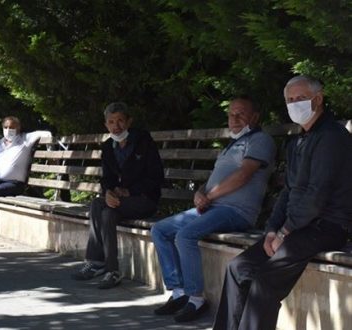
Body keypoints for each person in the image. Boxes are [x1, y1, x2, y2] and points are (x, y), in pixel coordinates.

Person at [213, 76, 352, 330]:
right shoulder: (298, 140)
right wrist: (271, 231)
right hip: (297, 226)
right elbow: (288, 192)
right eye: (289, 100)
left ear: (318, 99)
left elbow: (317, 194)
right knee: (238, 267)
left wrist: (285, 232)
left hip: (326, 226)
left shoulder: (332, 137)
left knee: (264, 283)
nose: (294, 104)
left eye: (300, 99)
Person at [150, 97, 276, 322]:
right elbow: (211, 181)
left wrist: (208, 196)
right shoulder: (230, 145)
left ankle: (196, 299)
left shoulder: (260, 140)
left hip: (236, 211)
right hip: (212, 207)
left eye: (241, 114)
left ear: (255, 117)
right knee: (159, 230)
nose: (234, 119)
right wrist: (199, 193)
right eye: (231, 114)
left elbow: (243, 176)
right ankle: (179, 292)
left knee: (185, 235)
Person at [71, 102, 164, 289]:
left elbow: (156, 177)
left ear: (129, 121)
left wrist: (129, 191)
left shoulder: (143, 142)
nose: (116, 126)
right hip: (120, 202)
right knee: (103, 209)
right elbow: (107, 178)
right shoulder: (108, 147)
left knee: (102, 209)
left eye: (120, 121)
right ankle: (108, 269)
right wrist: (108, 193)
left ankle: (102, 265)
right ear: (106, 125)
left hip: (144, 200)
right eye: (111, 122)